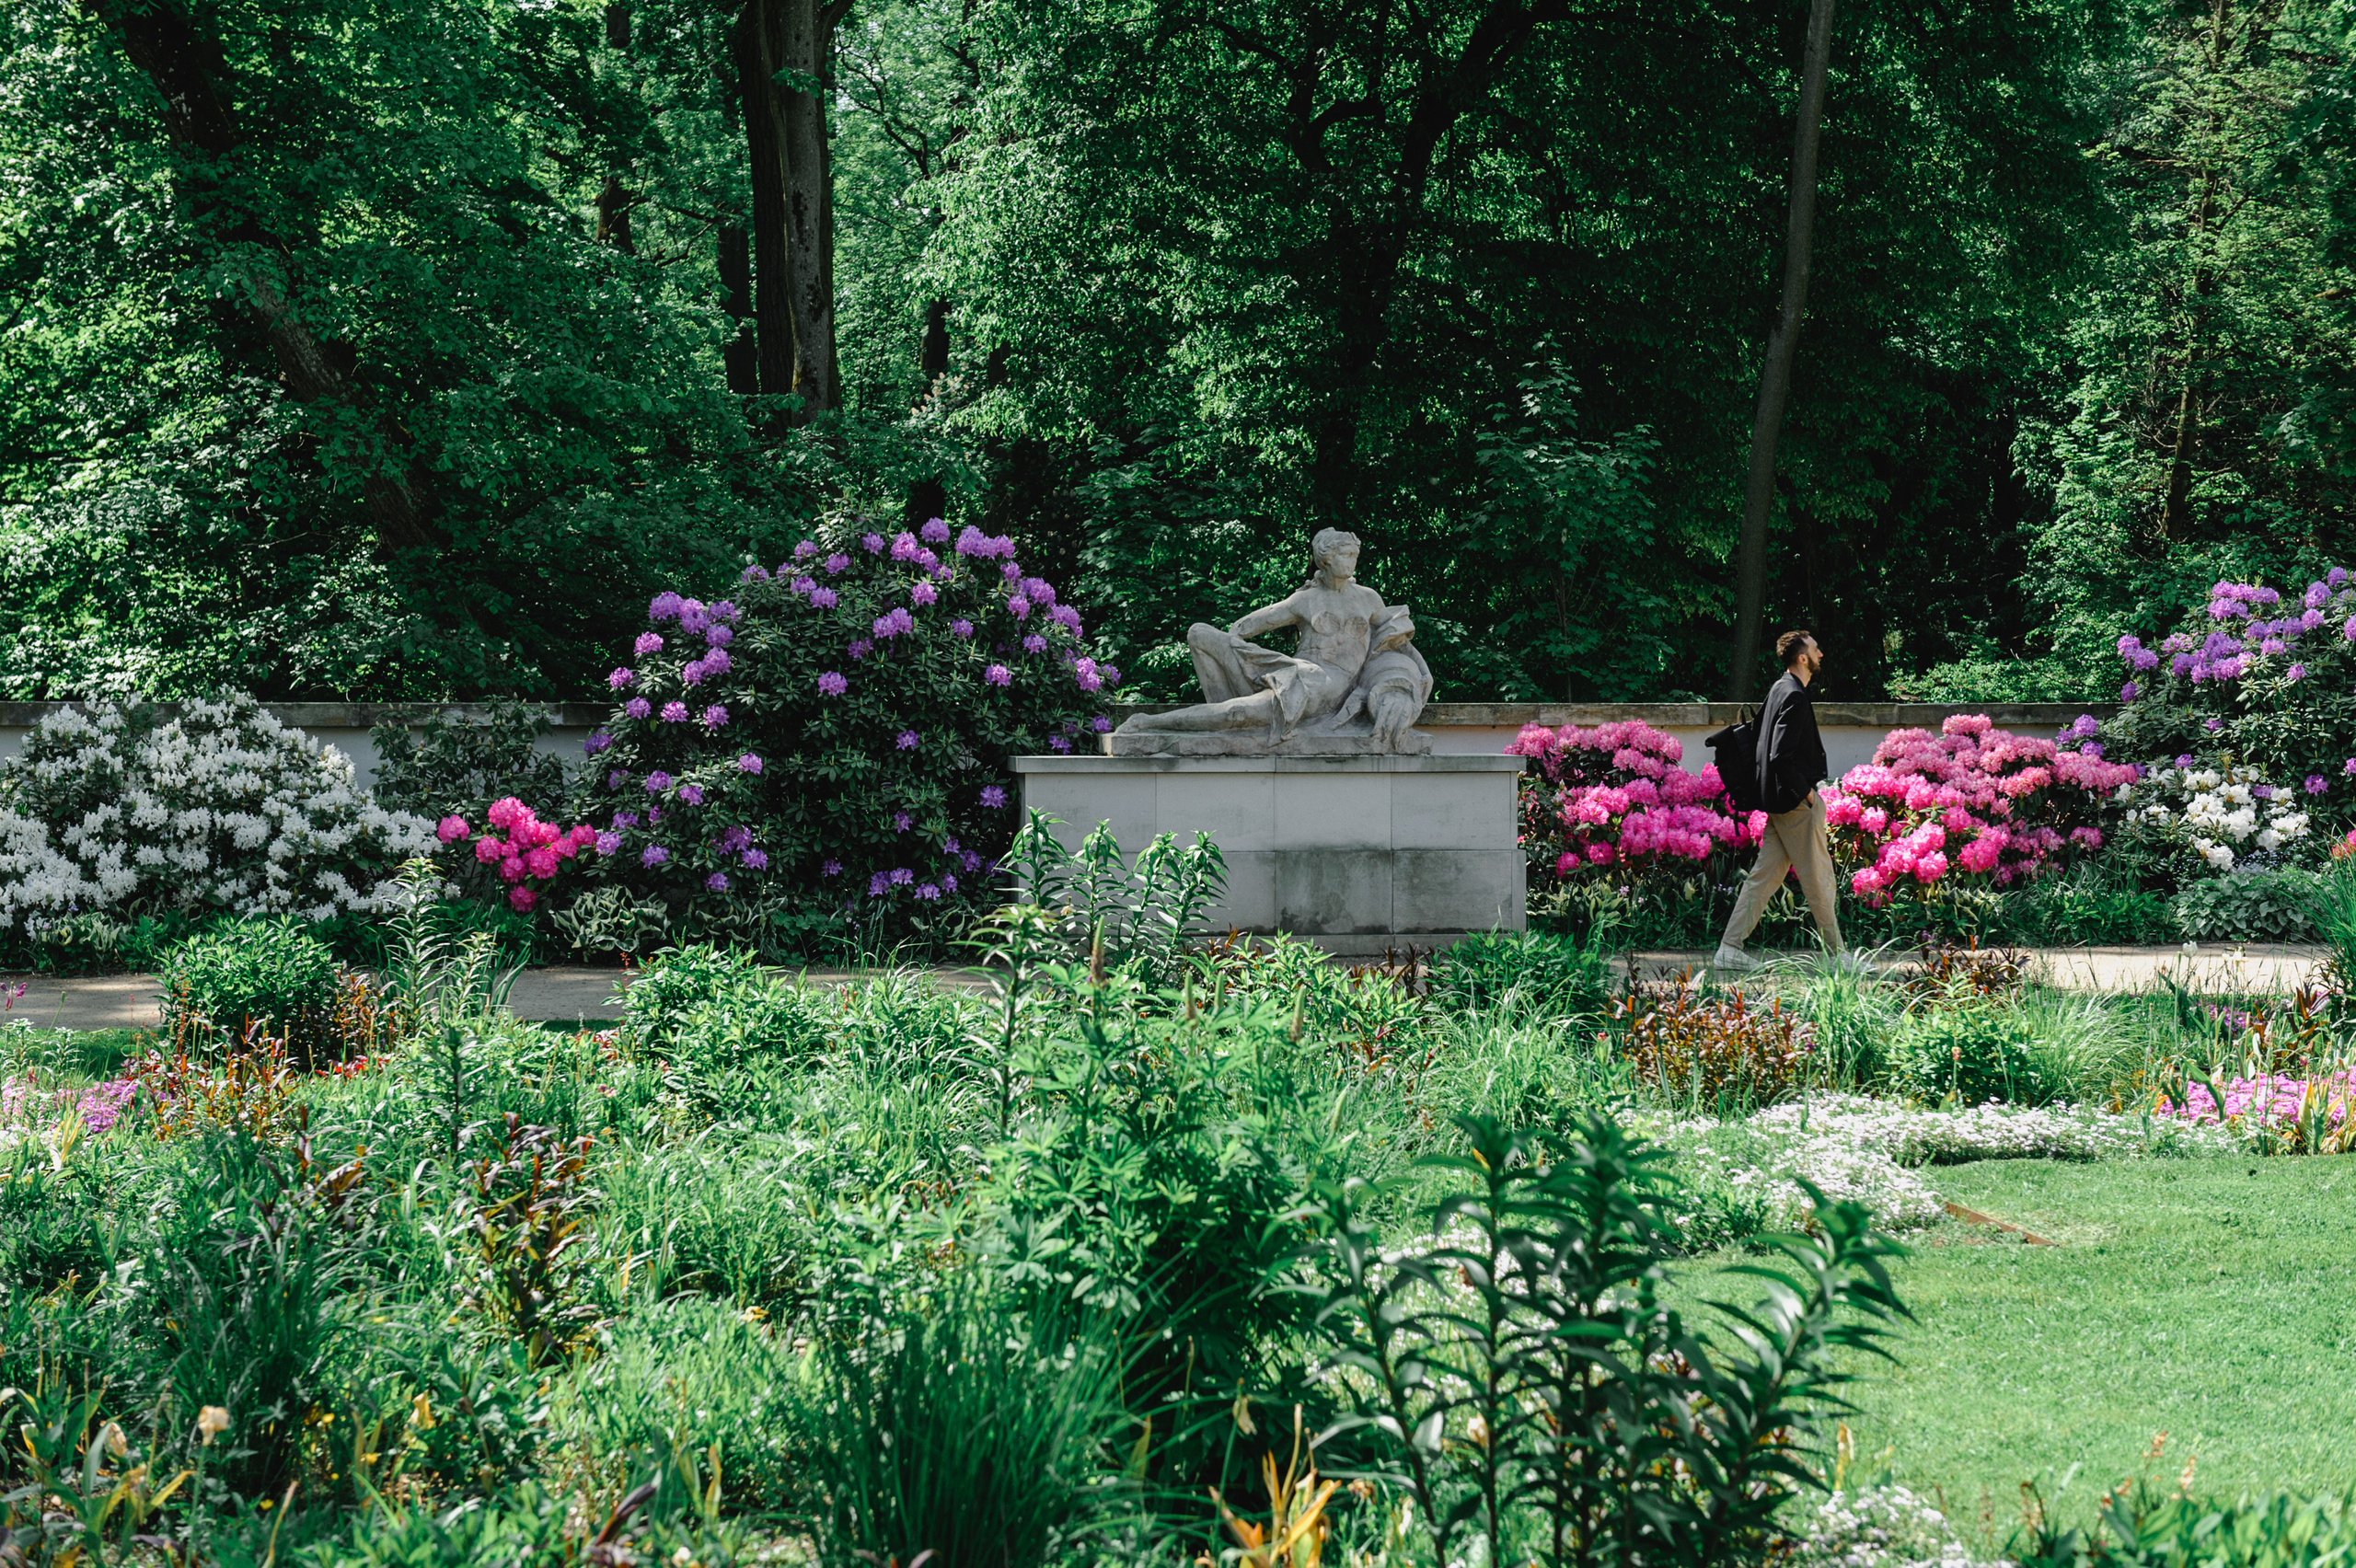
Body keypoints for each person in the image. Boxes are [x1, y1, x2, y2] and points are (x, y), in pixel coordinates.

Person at [1714, 629, 1848, 971]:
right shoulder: (1794, 697)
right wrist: (1807, 796)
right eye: (1815, 650)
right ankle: (1838, 956)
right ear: (1802, 657)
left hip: (1779, 803)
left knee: (1764, 878)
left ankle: (1729, 948)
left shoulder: (1779, 688)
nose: (1821, 654)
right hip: (1795, 805)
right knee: (1818, 876)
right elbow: (1779, 756)